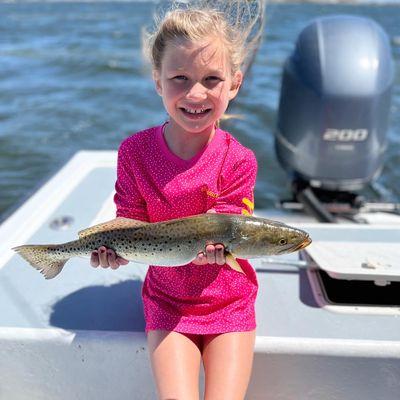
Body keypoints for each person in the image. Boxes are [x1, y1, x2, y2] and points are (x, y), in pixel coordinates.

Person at [90, 4, 260, 399]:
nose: (195, 93)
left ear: (234, 84)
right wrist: (113, 251)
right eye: (180, 78)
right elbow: (129, 221)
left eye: (211, 79)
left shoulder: (240, 160)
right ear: (157, 81)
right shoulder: (134, 152)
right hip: (169, 302)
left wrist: (221, 250)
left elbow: (231, 225)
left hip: (229, 299)